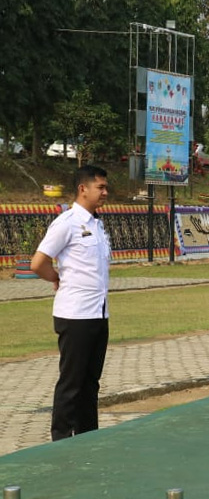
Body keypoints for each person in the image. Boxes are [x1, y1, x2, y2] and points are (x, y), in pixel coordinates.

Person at [31, 165, 112, 441]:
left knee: (91, 384)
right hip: (75, 314)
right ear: (82, 189)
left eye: (105, 187)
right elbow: (38, 263)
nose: (105, 192)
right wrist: (57, 277)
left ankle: (89, 439)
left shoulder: (97, 224)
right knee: (71, 384)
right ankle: (62, 442)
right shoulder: (66, 223)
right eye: (100, 187)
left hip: (98, 313)